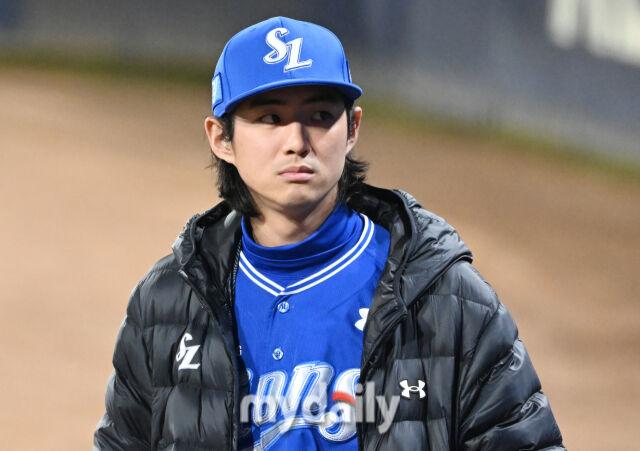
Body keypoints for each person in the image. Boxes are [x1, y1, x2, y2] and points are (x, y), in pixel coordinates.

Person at [94, 16, 564, 451]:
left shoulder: (445, 299)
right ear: (221, 138)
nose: (297, 142)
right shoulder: (168, 304)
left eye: (320, 116)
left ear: (352, 128)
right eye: (270, 118)